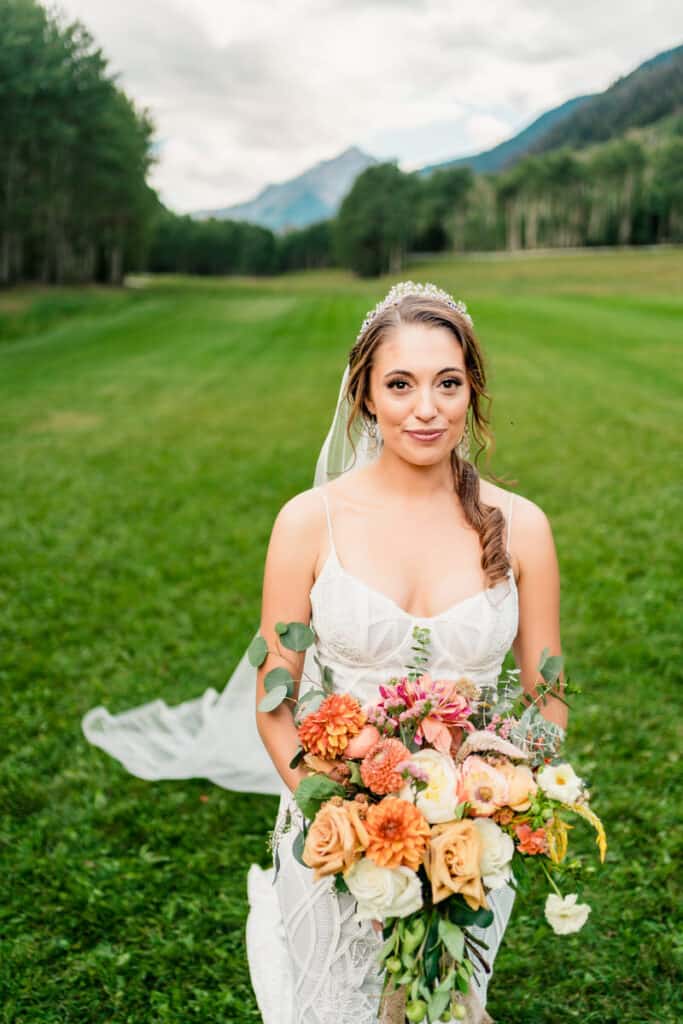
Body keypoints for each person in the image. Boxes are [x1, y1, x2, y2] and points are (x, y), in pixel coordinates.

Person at [82, 280, 567, 1024]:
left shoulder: (522, 526)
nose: (426, 407)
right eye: (399, 384)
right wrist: (341, 811)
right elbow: (274, 700)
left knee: (446, 1008)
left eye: (447, 383)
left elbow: (546, 695)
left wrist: (495, 799)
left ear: (472, 390)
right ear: (364, 396)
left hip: (468, 841)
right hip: (331, 833)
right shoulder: (309, 523)